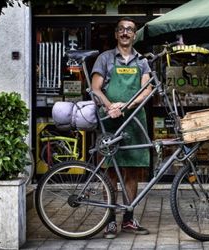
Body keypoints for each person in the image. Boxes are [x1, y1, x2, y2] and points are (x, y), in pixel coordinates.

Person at [91, 17, 152, 239]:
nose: (126, 33)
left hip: (134, 121)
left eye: (130, 30)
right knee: (110, 172)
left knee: (132, 170)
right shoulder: (105, 59)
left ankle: (128, 219)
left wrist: (127, 105)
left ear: (134, 35)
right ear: (116, 34)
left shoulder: (142, 62)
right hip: (111, 122)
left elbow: (146, 89)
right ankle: (109, 221)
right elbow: (95, 89)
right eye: (121, 29)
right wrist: (110, 107)